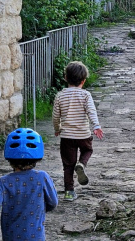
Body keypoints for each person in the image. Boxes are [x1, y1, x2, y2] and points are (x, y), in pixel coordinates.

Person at [53, 61, 104, 201]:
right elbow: (91, 112)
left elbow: (56, 116)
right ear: (83, 81)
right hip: (83, 134)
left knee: (68, 165)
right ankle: (81, 164)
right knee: (87, 150)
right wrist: (96, 126)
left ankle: (69, 192)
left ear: (65, 78)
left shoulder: (60, 95)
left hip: (67, 136)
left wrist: (57, 129)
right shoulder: (86, 95)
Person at [0, 128, 58, 240]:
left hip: (11, 237)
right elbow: (53, 202)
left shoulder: (3, 182)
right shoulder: (42, 177)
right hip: (36, 236)